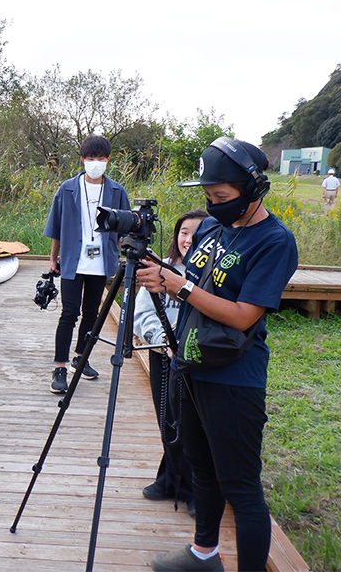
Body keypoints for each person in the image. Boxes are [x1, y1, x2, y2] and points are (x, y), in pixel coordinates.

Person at [137, 138, 297, 572]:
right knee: (200, 468)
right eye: (208, 197)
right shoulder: (210, 227)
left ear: (254, 188)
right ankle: (203, 554)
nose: (214, 204)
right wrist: (163, 273)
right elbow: (192, 278)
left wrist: (180, 287)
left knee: (241, 486)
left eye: (222, 197)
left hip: (233, 377)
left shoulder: (275, 242)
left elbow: (245, 316)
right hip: (191, 362)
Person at [133, 209, 208, 518]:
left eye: (196, 233)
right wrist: (162, 338)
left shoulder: (209, 276)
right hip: (162, 352)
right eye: (183, 232)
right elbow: (141, 312)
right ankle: (169, 480)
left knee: (192, 425)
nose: (188, 239)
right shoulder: (162, 269)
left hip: (195, 357)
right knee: (167, 420)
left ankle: (196, 491)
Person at [43, 135, 130, 393]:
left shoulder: (117, 191)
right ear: (82, 159)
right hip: (73, 261)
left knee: (92, 313)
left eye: (100, 159)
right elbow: (56, 226)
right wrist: (52, 258)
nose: (95, 163)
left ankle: (81, 358)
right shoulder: (67, 188)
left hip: (101, 262)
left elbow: (125, 226)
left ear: (108, 160)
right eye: (91, 159)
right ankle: (60, 367)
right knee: (69, 314)